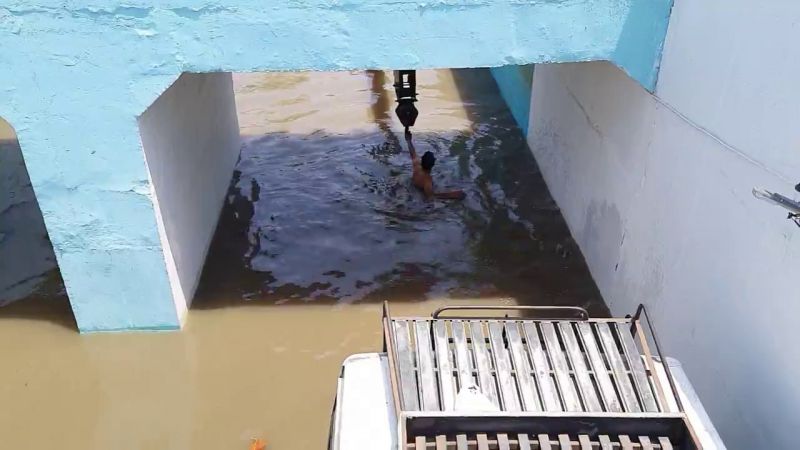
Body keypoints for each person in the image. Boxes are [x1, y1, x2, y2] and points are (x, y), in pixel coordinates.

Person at [405, 129, 465, 200]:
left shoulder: (417, 166)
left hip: (411, 186)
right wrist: (453, 195)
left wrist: (408, 140)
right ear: (432, 165)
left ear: (422, 160)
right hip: (417, 195)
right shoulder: (427, 181)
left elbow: (412, 152)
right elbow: (431, 197)